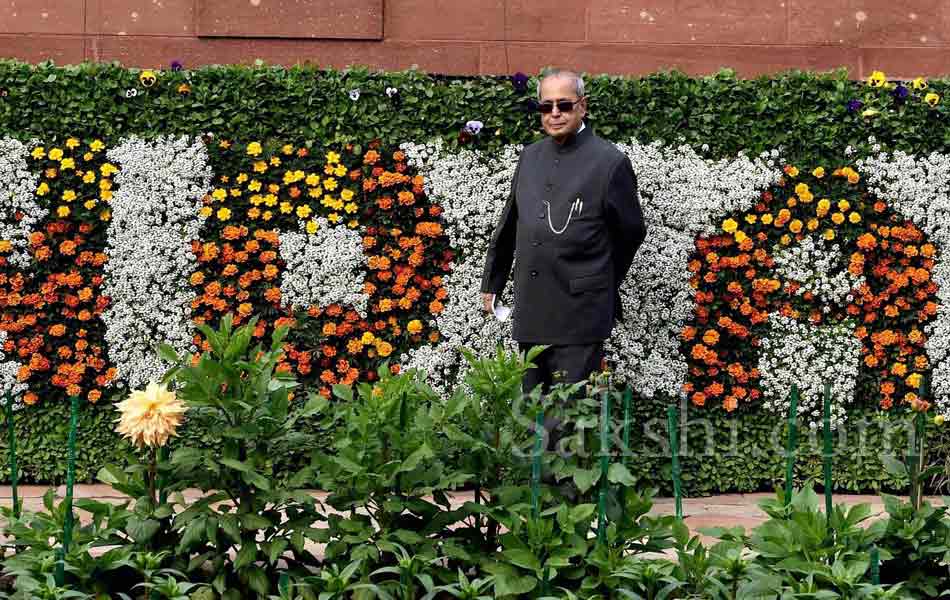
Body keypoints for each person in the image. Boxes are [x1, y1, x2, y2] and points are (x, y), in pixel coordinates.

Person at [480, 67, 647, 407]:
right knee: (532, 410)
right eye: (546, 106)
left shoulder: (610, 162)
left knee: (566, 416)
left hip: (580, 312)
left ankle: (556, 462)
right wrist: (493, 281)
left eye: (564, 105)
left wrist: (599, 278)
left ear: (582, 106)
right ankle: (533, 464)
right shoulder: (530, 156)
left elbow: (631, 232)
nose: (554, 113)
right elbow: (511, 223)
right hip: (532, 305)